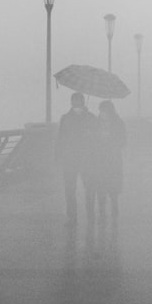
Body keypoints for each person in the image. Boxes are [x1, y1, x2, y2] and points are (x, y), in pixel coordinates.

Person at [55, 92, 101, 227]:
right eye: (74, 101)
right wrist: (58, 154)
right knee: (71, 189)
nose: (76, 104)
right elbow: (61, 138)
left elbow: (97, 137)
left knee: (88, 188)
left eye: (78, 101)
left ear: (82, 102)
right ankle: (73, 217)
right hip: (73, 158)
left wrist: (90, 134)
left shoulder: (89, 118)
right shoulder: (85, 118)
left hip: (83, 158)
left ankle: (88, 215)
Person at [95, 100, 127, 222]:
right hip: (99, 159)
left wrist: (111, 140)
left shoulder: (119, 123)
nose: (103, 113)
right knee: (100, 184)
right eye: (101, 110)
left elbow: (123, 141)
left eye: (105, 110)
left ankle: (114, 205)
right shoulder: (96, 123)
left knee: (113, 183)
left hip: (113, 158)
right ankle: (102, 209)